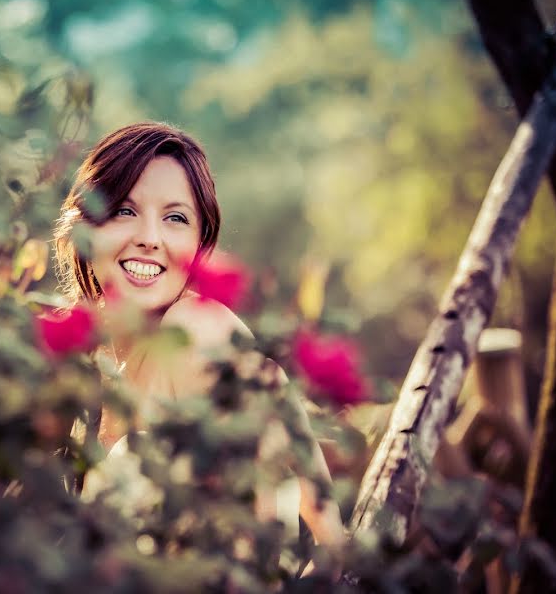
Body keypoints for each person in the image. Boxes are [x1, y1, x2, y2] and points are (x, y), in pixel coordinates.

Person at [52, 121, 345, 559]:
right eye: (125, 211)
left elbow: (281, 532)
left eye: (175, 218)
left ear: (200, 243)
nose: (149, 238)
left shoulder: (198, 333)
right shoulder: (87, 359)